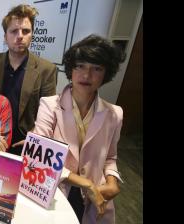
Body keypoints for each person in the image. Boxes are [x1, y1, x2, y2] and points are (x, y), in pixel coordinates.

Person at [31, 34, 126, 224]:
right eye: (80, 66)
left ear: (106, 73)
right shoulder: (49, 106)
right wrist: (85, 183)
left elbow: (110, 157)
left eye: (96, 68)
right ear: (70, 69)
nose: (86, 75)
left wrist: (112, 182)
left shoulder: (115, 114)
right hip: (55, 190)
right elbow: (39, 159)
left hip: (95, 198)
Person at [0, 4, 58, 156]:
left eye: (26, 31)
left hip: (27, 143)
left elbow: (49, 113)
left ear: (32, 34)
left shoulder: (47, 69)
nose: (20, 36)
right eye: (13, 31)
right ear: (5, 37)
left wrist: (34, 138)